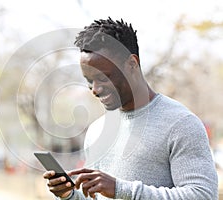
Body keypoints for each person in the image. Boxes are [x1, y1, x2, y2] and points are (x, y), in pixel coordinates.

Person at [42, 17, 218, 199]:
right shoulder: (96, 131)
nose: (95, 89)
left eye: (103, 78)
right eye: (89, 81)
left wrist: (120, 189)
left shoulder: (181, 124)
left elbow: (203, 195)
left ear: (132, 64)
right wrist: (68, 195)